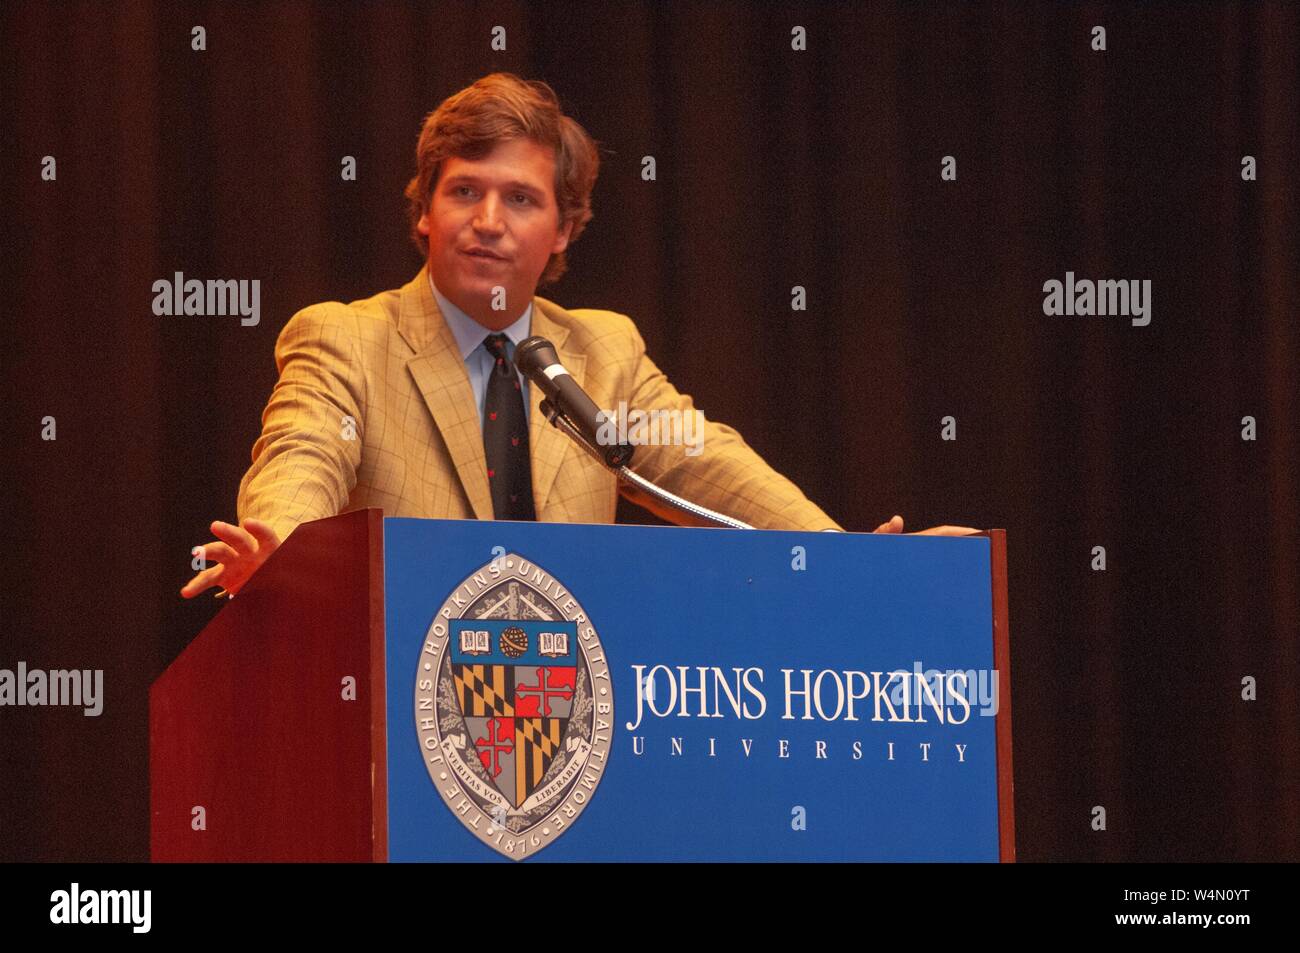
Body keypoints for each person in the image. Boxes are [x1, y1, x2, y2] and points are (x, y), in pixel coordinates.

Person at [181, 74, 974, 600]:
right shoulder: (347, 340)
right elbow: (302, 457)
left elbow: (713, 469)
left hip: (573, 723)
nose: (488, 221)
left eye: (521, 199)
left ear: (563, 231)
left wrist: (862, 568)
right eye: (465, 191)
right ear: (424, 211)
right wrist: (279, 551)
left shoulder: (602, 354)